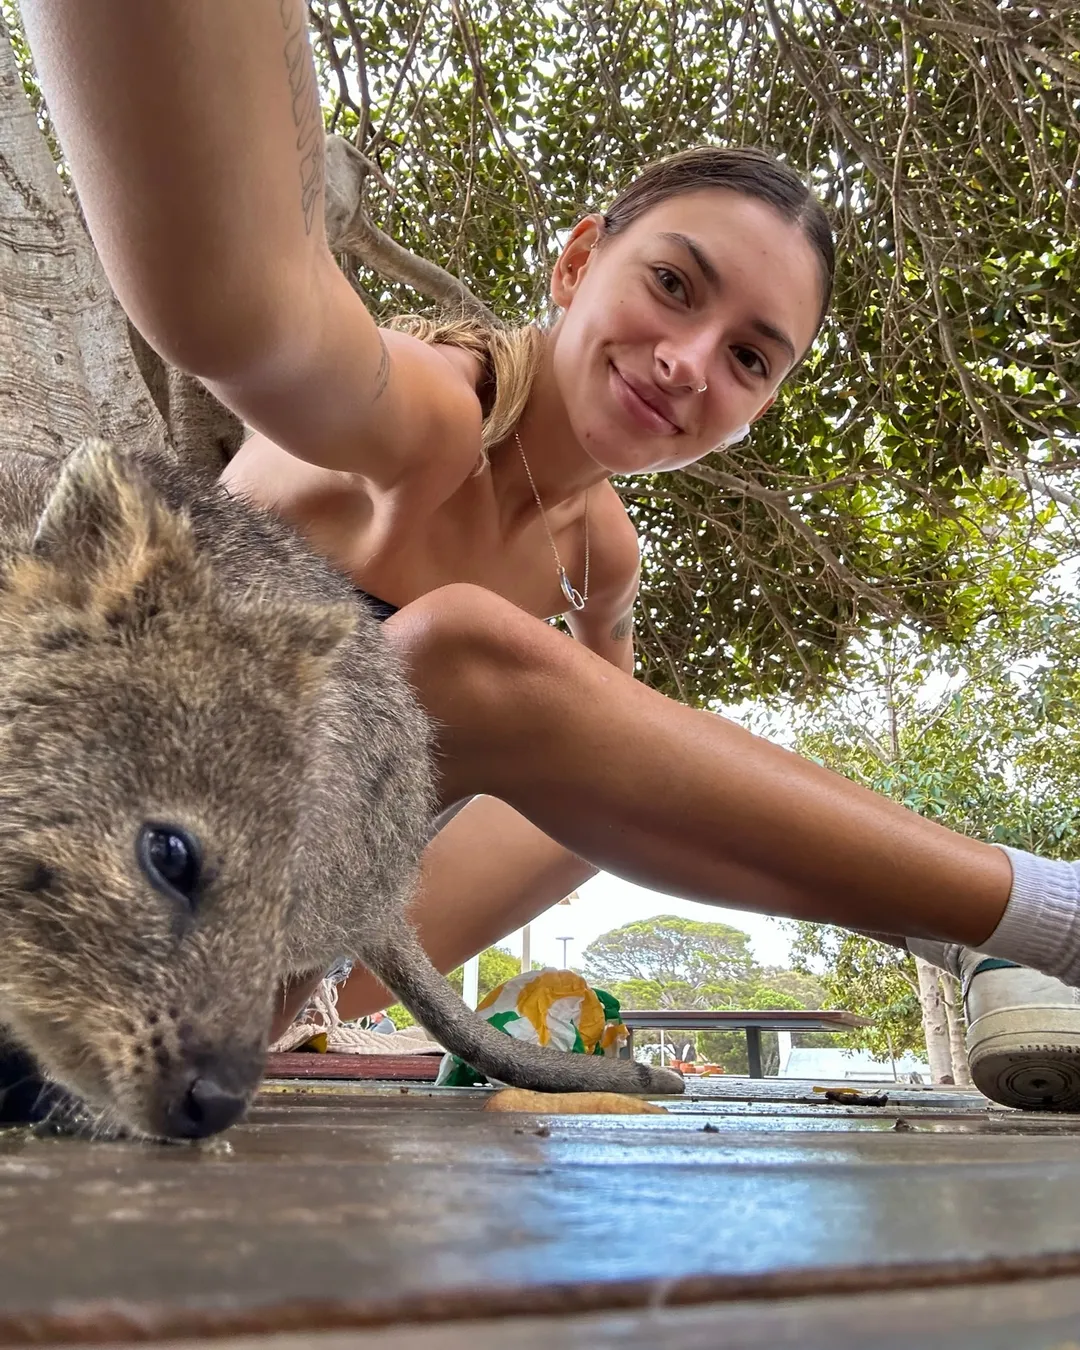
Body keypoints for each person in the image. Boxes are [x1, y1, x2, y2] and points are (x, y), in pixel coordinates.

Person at [20, 0, 1080, 1109]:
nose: (687, 362)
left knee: (601, 790)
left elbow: (638, 778)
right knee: (455, 657)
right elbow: (256, 312)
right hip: (91, 893)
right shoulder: (431, 412)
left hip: (243, 963)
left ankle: (982, 945)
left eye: (751, 357)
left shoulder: (601, 557)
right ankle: (1045, 917)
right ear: (579, 261)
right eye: (674, 284)